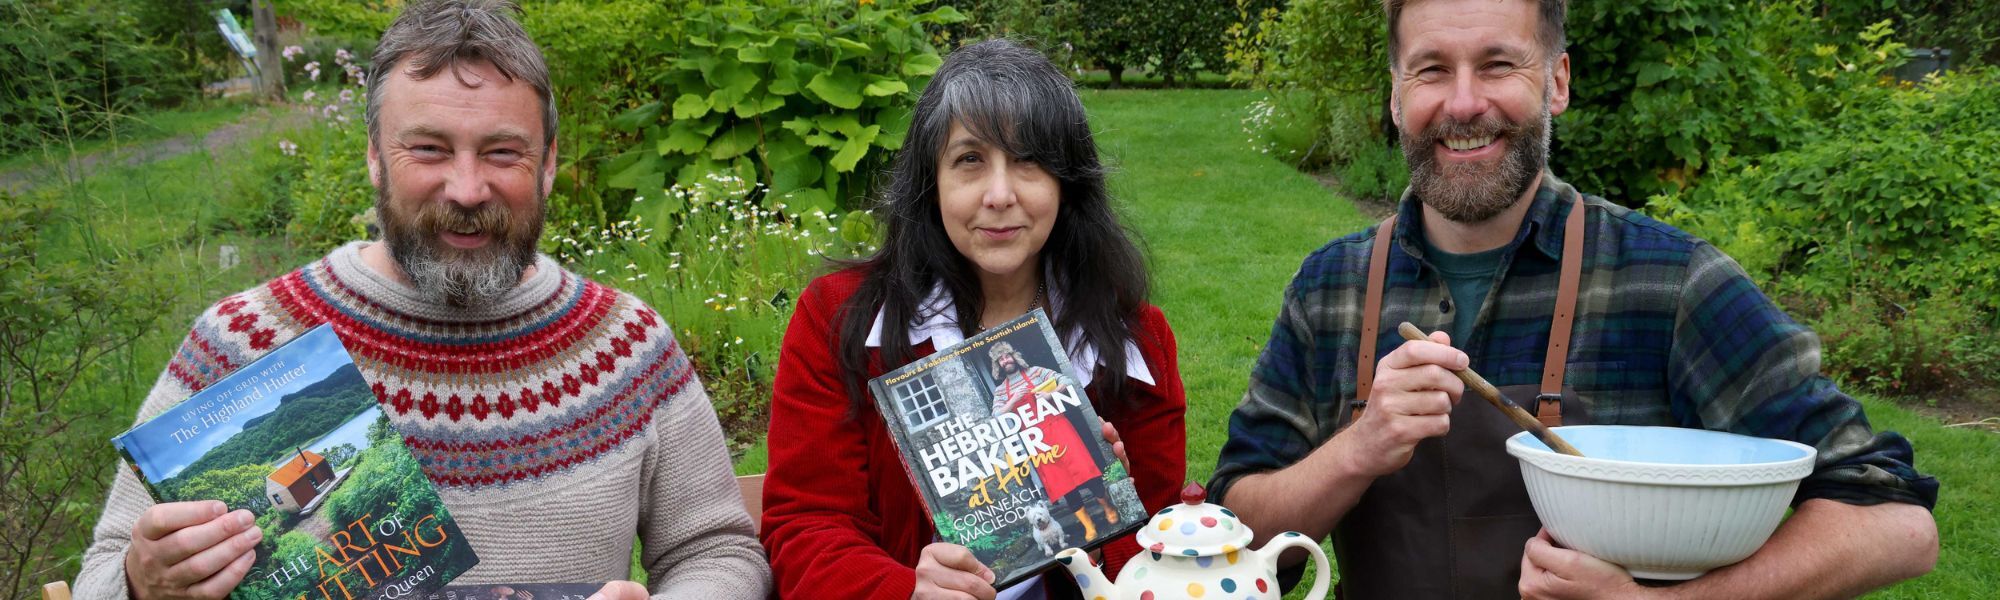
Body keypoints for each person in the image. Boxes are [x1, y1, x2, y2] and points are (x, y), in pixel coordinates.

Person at [1206, 1, 1940, 599]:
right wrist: (1356, 452)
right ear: (1397, 96)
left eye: (1498, 64)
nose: (1463, 103)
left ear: (1557, 81)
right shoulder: (1331, 288)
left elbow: (1895, 521)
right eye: (1432, 70)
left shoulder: (1670, 282)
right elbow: (1233, 533)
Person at [73, 2, 770, 599]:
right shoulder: (243, 339)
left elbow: (719, 552)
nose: (467, 190)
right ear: (375, 156)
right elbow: (102, 573)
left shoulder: (627, 343)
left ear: (550, 163)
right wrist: (141, 582)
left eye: (502, 153)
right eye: (430, 149)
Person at [760, 39, 1187, 600]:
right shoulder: (838, 317)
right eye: (969, 160)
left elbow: (1159, 557)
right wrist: (904, 591)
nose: (1000, 194)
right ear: (930, 180)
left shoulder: (1134, 343)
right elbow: (805, 526)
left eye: (1029, 161)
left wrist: (1113, 520)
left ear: (1068, 182)